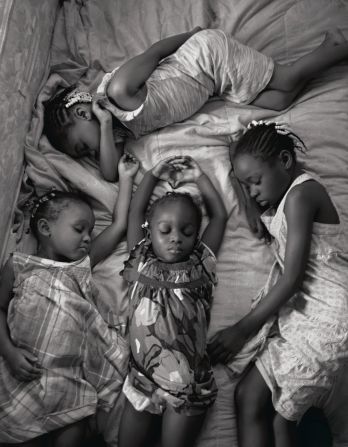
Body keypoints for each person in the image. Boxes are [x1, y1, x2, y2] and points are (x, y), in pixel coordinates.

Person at [43, 27, 348, 182]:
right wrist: (106, 125)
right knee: (282, 100)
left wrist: (192, 35)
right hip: (210, 86)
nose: (94, 155)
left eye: (85, 147)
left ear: (84, 112)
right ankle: (325, 52)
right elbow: (110, 174)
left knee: (286, 80)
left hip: (208, 59)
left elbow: (154, 52)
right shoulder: (117, 129)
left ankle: (338, 46)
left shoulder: (120, 90)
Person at [208, 120, 348, 447]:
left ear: (285, 162)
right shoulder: (280, 198)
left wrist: (242, 329)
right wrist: (245, 191)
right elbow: (239, 163)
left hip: (330, 315)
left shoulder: (302, 194)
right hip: (302, 313)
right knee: (247, 396)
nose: (252, 191)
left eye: (255, 182)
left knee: (283, 422)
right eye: (247, 184)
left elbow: (292, 278)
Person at [0, 154, 139, 446]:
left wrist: (126, 177)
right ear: (45, 228)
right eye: (80, 229)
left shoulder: (81, 265)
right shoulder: (18, 265)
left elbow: (118, 226)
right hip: (24, 372)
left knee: (73, 432)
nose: (88, 237)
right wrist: (10, 352)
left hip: (68, 381)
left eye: (89, 231)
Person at [118, 155, 227, 447]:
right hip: (143, 379)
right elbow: (135, 212)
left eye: (187, 231)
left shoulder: (202, 263)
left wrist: (199, 176)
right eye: (165, 231)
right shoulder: (140, 259)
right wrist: (153, 173)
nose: (176, 238)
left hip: (189, 387)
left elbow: (219, 216)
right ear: (149, 232)